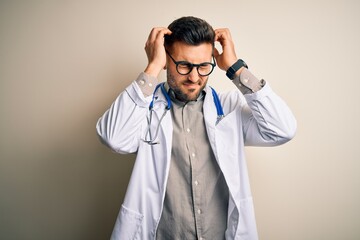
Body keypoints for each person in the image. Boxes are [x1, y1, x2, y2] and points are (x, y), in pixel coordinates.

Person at [96, 16, 296, 240]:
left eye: (203, 66)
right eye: (184, 65)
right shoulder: (146, 108)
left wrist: (236, 68)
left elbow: (282, 129)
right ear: (166, 58)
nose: (194, 77)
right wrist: (152, 67)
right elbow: (113, 137)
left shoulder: (229, 109)